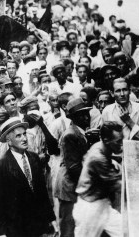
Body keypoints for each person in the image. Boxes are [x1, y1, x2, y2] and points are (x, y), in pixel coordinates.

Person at [0, 117, 56, 237]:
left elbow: (42, 193)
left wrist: (51, 219)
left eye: (24, 134)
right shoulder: (0, 166)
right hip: (15, 228)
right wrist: (1, 233)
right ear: (9, 141)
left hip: (37, 226)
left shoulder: (34, 158)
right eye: (18, 136)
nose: (24, 138)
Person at [73, 122, 123, 237]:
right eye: (118, 142)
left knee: (125, 231)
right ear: (106, 140)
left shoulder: (99, 146)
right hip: (89, 209)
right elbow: (119, 185)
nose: (121, 145)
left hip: (103, 204)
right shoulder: (98, 157)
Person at [54, 98, 91, 237]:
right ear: (74, 118)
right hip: (69, 186)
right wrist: (86, 186)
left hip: (73, 184)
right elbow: (74, 167)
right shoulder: (71, 134)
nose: (86, 117)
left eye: (86, 113)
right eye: (81, 115)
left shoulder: (79, 132)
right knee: (69, 226)